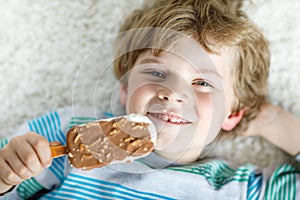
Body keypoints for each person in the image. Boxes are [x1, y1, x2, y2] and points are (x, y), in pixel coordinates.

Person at [1, 0, 300, 199]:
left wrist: (268, 120)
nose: (172, 92)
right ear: (125, 88)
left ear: (231, 113)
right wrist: (6, 174)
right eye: (157, 73)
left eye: (202, 82)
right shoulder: (70, 130)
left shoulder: (239, 189)